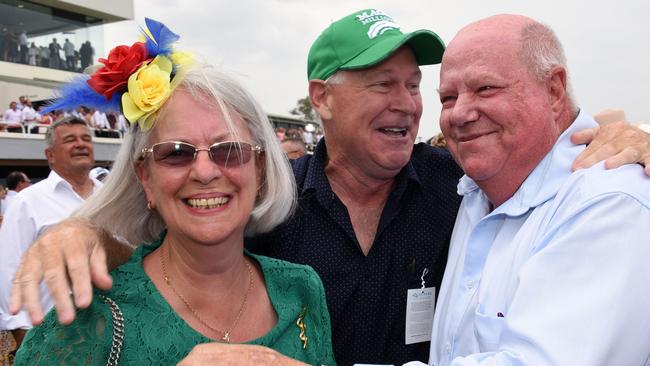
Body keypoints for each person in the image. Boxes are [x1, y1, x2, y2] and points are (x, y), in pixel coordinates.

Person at [8, 9, 650, 366]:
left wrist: (633, 137)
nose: (412, 104)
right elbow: (169, 235)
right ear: (321, 99)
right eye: (380, 84)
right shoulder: (263, 200)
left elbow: (549, 151)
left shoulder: (460, 187)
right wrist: (81, 227)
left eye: (415, 85)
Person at [13, 19, 333, 365]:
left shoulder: (302, 289)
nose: (206, 171)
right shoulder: (90, 321)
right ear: (145, 178)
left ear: (259, 169)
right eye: (176, 152)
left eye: (229, 150)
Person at [427, 14, 650, 365]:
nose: (460, 113)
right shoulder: (470, 191)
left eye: (486, 88)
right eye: (448, 97)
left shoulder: (608, 201)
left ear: (554, 90)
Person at [0, 116, 100, 348]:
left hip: (110, 330)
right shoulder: (28, 202)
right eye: (70, 139)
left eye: (86, 138)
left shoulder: (109, 197)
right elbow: (9, 270)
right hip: (52, 336)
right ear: (50, 155)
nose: (80, 144)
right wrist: (22, 333)